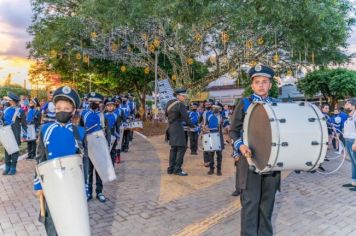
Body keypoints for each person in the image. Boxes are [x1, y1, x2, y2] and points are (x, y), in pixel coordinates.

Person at [229, 64, 280, 236]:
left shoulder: (277, 105)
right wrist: (241, 146)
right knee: (251, 204)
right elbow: (233, 131)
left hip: (272, 162)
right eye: (257, 82)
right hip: (250, 160)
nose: (261, 85)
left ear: (270, 85)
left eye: (264, 82)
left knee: (267, 205)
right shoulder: (244, 103)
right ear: (252, 85)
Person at [34, 86, 84, 235]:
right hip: (50, 183)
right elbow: (40, 158)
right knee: (52, 222)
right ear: (54, 109)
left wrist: (85, 187)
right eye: (58, 108)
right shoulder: (45, 129)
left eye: (66, 108)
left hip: (72, 183)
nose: (62, 111)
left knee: (72, 219)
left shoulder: (79, 132)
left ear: (73, 110)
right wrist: (38, 185)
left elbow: (84, 161)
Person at [80, 92, 109, 202]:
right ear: (88, 102)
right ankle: (88, 193)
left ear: (100, 103)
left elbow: (108, 132)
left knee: (99, 171)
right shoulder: (84, 114)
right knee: (88, 171)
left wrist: (108, 147)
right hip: (88, 146)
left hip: (100, 146)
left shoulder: (103, 115)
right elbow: (80, 130)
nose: (93, 103)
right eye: (91, 101)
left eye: (96, 101)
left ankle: (99, 192)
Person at [166, 88, 194, 176]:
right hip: (178, 128)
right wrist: (193, 126)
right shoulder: (181, 105)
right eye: (183, 96)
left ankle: (170, 169)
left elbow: (166, 114)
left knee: (173, 148)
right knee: (182, 147)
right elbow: (186, 118)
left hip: (170, 127)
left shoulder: (169, 102)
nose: (184, 97)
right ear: (178, 96)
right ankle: (177, 169)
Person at [1, 92, 27, 175]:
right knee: (7, 149)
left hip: (15, 132)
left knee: (14, 149)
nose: (7, 101)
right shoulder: (6, 109)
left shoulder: (20, 111)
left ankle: (13, 167)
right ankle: (7, 166)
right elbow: (1, 119)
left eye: (9, 100)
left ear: (12, 101)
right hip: (6, 131)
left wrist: (24, 135)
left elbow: (24, 124)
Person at [204, 101, 224, 176]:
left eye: (217, 107)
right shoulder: (208, 114)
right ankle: (211, 169)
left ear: (219, 108)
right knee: (211, 154)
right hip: (210, 135)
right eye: (214, 107)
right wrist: (205, 128)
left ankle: (219, 170)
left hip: (219, 135)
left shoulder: (221, 115)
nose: (215, 109)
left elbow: (224, 124)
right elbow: (206, 124)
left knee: (219, 154)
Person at [341, 98, 356, 191]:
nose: (345, 106)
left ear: (354, 106)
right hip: (348, 141)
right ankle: (354, 183)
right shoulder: (350, 116)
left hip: (353, 142)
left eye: (347, 104)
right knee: (353, 163)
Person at [104, 97, 124, 165]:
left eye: (111, 106)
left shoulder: (116, 116)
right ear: (106, 107)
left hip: (113, 135)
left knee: (113, 152)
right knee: (105, 153)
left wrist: (118, 136)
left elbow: (118, 127)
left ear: (114, 107)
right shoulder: (103, 116)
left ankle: (112, 167)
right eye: (108, 106)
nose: (110, 107)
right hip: (105, 136)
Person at [200, 99, 214, 167]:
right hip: (205, 132)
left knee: (211, 147)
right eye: (206, 104)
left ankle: (211, 161)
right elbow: (201, 121)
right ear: (204, 105)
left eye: (209, 104)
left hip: (212, 132)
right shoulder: (203, 112)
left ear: (212, 104)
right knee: (205, 147)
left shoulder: (214, 112)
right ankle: (206, 161)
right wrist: (202, 126)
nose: (207, 105)